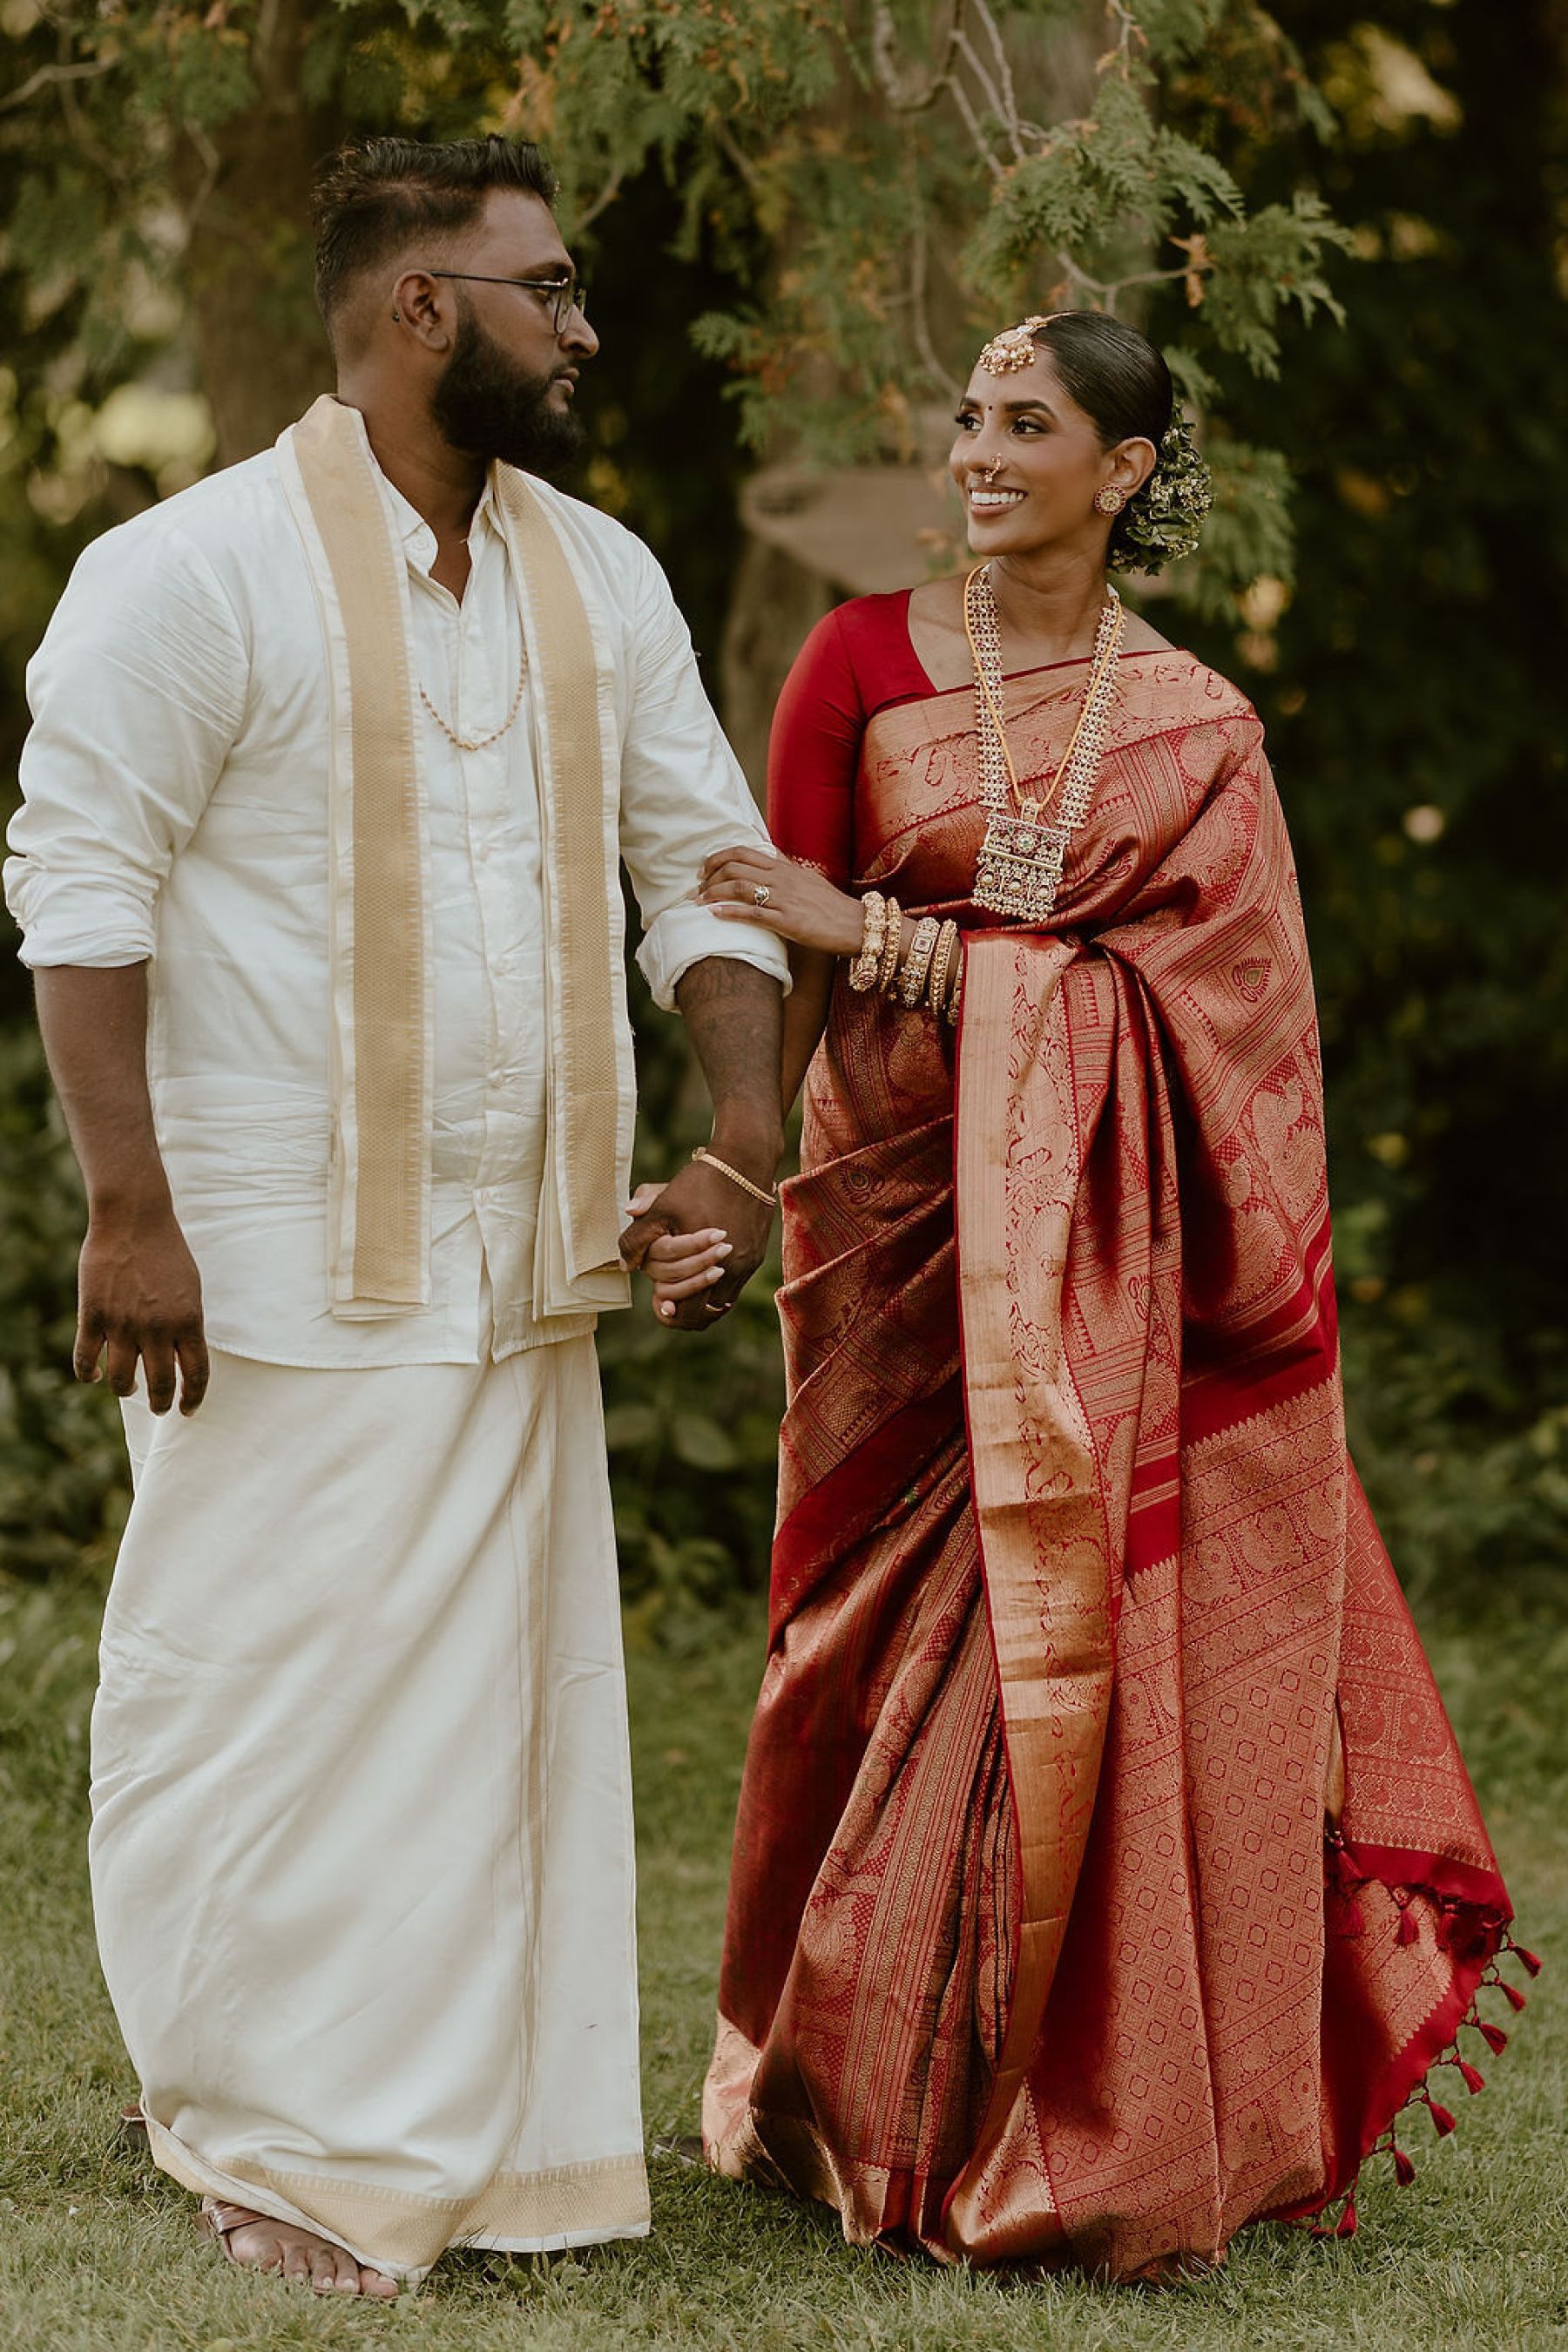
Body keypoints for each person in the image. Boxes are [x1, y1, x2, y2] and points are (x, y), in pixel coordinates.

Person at [661, 310, 1532, 2281]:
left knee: (1085, 1662)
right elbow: (775, 965)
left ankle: (1056, 2113)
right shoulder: (856, 655)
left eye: (1028, 424)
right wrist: (732, 1173)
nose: (980, 451)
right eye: (970, 416)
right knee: (849, 1660)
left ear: (1126, 470)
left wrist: (889, 937)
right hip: (891, 1244)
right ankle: (843, 2096)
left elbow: (1228, 1032)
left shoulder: (1201, 731)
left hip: (1102, 1279)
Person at [3, 134, 787, 2296]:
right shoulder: (190, 569)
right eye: (546, 288)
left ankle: (496, 2156)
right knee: (251, 1699)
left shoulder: (603, 576)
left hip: (520, 1250)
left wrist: (739, 1148)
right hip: (256, 1249)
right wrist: (127, 1211)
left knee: (489, 1714)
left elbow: (703, 875)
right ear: (420, 309)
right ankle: (266, 2138)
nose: (586, 324)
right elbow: (81, 891)